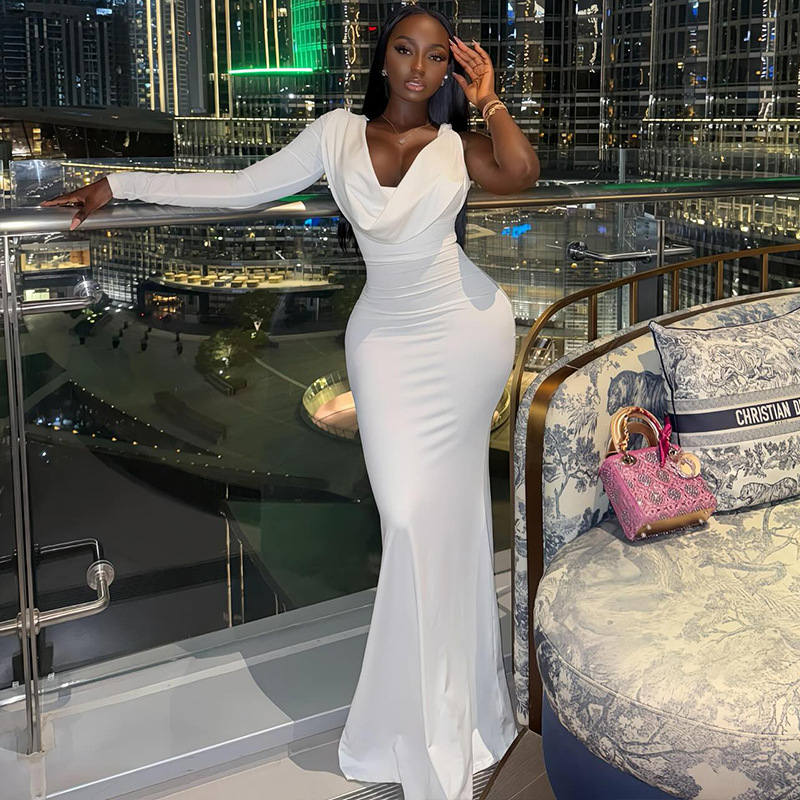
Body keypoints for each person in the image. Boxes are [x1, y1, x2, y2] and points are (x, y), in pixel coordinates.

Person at [42, 6, 539, 798]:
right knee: (410, 519)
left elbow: (521, 173)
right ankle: (422, 714)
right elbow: (239, 187)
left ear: (449, 70)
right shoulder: (336, 134)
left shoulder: (457, 144)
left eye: (436, 57)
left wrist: (491, 100)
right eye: (405, 50)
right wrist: (119, 184)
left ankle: (460, 705)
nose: (418, 67)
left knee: (451, 523)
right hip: (386, 344)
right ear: (383, 60)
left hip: (466, 333)